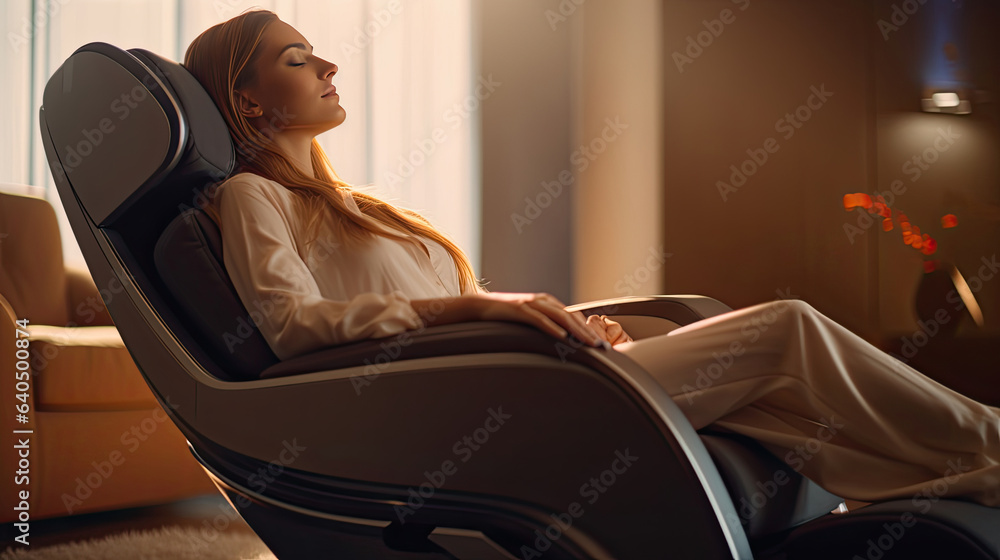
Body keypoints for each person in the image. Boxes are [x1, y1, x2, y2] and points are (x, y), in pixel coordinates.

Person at [182, 9, 1000, 509]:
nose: (327, 66)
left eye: (317, 52)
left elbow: (444, 310)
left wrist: (559, 320)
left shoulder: (358, 206)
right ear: (248, 99)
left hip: (527, 377)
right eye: (297, 59)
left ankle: (968, 478)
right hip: (468, 417)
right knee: (786, 332)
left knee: (782, 396)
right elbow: (292, 328)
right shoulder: (254, 197)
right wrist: (477, 309)